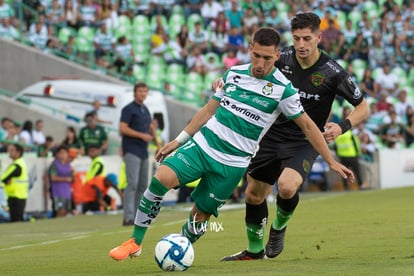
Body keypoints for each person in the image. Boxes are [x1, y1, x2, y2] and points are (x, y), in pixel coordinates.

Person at [108, 27, 355, 261]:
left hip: (233, 163)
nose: (260, 63)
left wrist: (331, 161)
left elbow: (308, 127)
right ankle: (135, 241)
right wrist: (178, 140)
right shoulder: (233, 74)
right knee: (162, 178)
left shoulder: (283, 90)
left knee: (200, 215)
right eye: (256, 55)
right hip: (203, 147)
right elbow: (207, 111)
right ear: (250, 49)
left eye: (267, 58)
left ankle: (179, 249)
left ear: (277, 56)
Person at [218, 12, 368, 261]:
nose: (300, 44)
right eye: (296, 38)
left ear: (318, 37)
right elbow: (256, 69)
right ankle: (254, 251)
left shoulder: (332, 72)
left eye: (306, 38)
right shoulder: (282, 57)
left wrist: (342, 126)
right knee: (253, 194)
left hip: (305, 139)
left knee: (286, 187)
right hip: (270, 133)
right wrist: (225, 81)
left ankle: (278, 228)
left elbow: (363, 106)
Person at [120, 82, 161, 226]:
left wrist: (158, 145)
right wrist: (140, 135)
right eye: (140, 91)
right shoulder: (128, 109)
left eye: (145, 91)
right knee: (132, 183)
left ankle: (138, 217)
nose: (142, 94)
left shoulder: (145, 110)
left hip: (143, 151)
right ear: (134, 93)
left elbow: (150, 128)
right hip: (132, 149)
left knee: (143, 185)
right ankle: (128, 217)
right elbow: (123, 128)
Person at [0, 143, 29, 222]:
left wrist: (6, 180)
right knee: (18, 217)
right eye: (9, 150)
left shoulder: (17, 165)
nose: (9, 152)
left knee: (16, 219)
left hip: (15, 195)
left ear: (18, 152)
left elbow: (3, 177)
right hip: (20, 194)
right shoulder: (21, 163)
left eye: (12, 150)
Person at [47, 145, 74, 217]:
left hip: (67, 191)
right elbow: (53, 178)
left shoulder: (69, 165)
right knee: (60, 211)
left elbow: (72, 179)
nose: (63, 155)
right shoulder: (54, 165)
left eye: (65, 153)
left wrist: (73, 174)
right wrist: (66, 179)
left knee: (66, 211)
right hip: (57, 191)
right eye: (61, 153)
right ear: (57, 154)